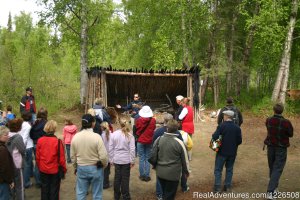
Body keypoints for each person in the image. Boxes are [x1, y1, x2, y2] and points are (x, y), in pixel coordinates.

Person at [71, 114, 108, 200]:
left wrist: (75, 167)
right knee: (97, 195)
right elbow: (103, 156)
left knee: (80, 193)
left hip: (81, 167)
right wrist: (104, 165)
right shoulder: (97, 137)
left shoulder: (75, 137)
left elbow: (73, 156)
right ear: (93, 123)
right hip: (95, 168)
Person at [155, 119, 189, 200]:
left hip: (160, 173)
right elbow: (185, 159)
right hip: (173, 175)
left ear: (167, 128)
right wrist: (186, 171)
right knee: (169, 195)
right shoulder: (180, 142)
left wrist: (154, 166)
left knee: (164, 193)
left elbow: (153, 155)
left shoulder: (159, 139)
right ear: (177, 129)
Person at [264, 103, 293, 199]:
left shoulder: (268, 120)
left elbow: (269, 130)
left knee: (272, 167)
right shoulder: (286, 122)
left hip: (271, 147)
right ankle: (270, 191)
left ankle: (274, 187)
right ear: (282, 111)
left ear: (274, 110)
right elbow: (290, 134)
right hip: (280, 148)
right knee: (277, 168)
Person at [212, 110, 242, 193]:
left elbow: (214, 137)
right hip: (232, 152)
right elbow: (239, 141)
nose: (223, 117)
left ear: (226, 116)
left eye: (224, 115)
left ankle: (217, 188)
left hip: (221, 151)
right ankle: (227, 187)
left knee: (218, 170)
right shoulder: (237, 128)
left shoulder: (221, 126)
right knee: (229, 169)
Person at [36, 120, 67, 200]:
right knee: (54, 191)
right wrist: (64, 169)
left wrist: (40, 167)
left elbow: (37, 157)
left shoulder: (40, 140)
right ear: (55, 129)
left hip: (43, 169)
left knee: (44, 190)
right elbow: (62, 159)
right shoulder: (58, 142)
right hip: (55, 170)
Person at [109, 117, 135, 200]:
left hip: (117, 159)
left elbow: (110, 147)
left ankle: (116, 196)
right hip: (126, 160)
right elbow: (132, 149)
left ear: (118, 124)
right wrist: (132, 160)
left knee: (117, 178)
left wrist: (111, 159)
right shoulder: (130, 135)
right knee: (125, 179)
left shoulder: (114, 134)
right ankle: (126, 196)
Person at [135, 105, 156, 182]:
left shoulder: (138, 120)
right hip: (149, 141)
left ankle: (142, 175)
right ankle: (147, 175)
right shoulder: (153, 120)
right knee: (147, 158)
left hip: (140, 140)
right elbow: (153, 129)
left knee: (141, 158)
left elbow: (136, 128)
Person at [7, 118, 26, 200]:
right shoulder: (18, 137)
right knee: (20, 186)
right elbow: (22, 150)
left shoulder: (7, 135)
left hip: (9, 164)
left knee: (12, 186)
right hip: (17, 164)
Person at [29, 107, 48, 188]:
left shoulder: (34, 122)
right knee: (43, 161)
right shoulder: (46, 123)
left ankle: (38, 181)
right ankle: (42, 180)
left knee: (37, 162)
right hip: (42, 144)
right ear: (45, 114)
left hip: (34, 144)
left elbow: (31, 133)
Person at [19, 111, 34, 188]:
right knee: (27, 165)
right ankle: (26, 182)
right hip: (27, 147)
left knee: (27, 164)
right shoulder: (28, 126)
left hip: (23, 145)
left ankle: (30, 175)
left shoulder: (20, 124)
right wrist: (22, 148)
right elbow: (24, 138)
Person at [0, 126, 15, 200]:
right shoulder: (2, 149)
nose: (8, 136)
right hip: (2, 181)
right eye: (5, 135)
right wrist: (10, 181)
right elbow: (4, 168)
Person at [100, 122, 112, 189]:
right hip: (110, 154)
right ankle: (105, 182)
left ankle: (104, 183)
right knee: (107, 170)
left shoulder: (102, 135)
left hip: (104, 154)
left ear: (102, 128)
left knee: (104, 170)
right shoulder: (112, 134)